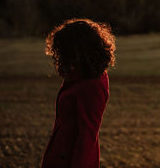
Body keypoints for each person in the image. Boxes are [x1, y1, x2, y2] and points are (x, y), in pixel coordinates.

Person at [41, 18, 116, 168]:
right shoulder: (79, 76)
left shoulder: (92, 84)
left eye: (64, 52)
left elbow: (87, 136)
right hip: (59, 156)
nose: (59, 58)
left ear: (78, 52)